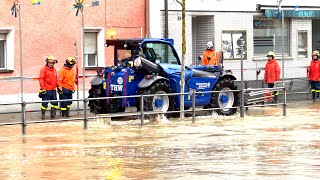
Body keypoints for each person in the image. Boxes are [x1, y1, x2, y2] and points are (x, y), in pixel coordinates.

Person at [39, 55, 61, 120]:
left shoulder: (54, 70)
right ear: (47, 62)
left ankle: (53, 116)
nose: (51, 64)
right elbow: (41, 80)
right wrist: (43, 89)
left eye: (53, 63)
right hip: (46, 90)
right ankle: (43, 116)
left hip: (53, 90)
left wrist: (58, 86)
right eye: (50, 63)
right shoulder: (43, 70)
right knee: (44, 104)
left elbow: (56, 79)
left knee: (55, 103)